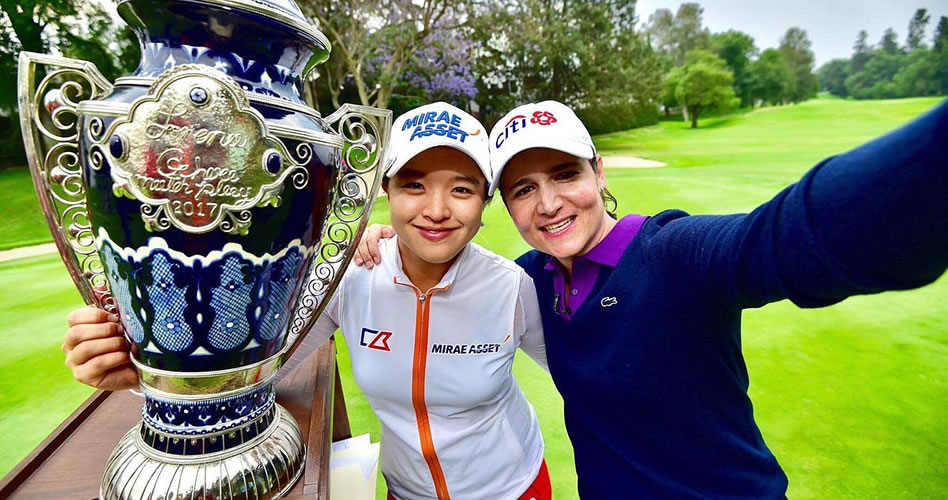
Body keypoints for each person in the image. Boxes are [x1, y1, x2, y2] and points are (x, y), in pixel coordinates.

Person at [355, 99, 948, 498]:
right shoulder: (528, 279)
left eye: (566, 174)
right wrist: (375, 238)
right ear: (505, 206)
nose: (549, 204)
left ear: (599, 172)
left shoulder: (675, 253)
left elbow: (784, 238)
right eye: (523, 189)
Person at [62, 102, 552, 500]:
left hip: (516, 488)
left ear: (485, 203)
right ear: (386, 192)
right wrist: (154, 370)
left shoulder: (510, 287)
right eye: (414, 185)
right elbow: (253, 365)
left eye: (462, 190)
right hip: (407, 493)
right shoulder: (350, 277)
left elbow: (586, 374)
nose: (437, 210)